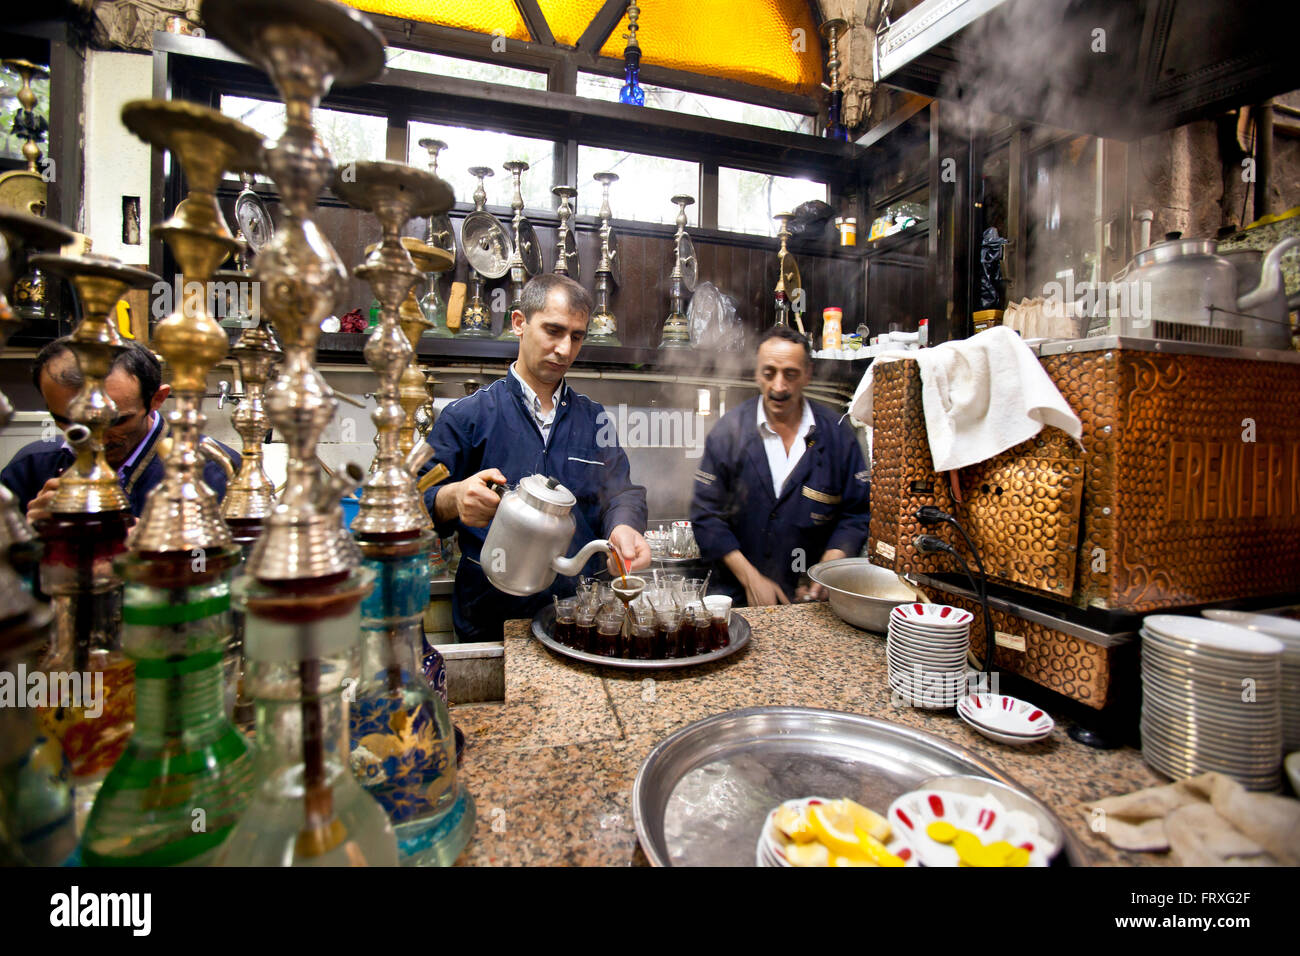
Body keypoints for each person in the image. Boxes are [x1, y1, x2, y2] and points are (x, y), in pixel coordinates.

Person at [424, 273, 651, 642]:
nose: (565, 349)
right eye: (554, 331)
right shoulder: (468, 416)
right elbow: (412, 502)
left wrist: (623, 526)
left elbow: (622, 492)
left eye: (576, 337)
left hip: (579, 619)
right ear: (519, 323)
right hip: (492, 624)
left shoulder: (592, 419)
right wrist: (452, 498)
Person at [690, 325, 870, 607]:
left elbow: (856, 513)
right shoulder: (728, 432)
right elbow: (706, 516)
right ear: (756, 373)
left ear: (807, 374)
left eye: (790, 374)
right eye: (769, 372)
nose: (779, 386)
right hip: (737, 601)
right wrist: (750, 578)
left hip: (813, 605)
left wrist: (830, 565)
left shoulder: (838, 437)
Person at [1, 337, 239, 523]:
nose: (95, 440)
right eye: (70, 423)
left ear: (157, 399)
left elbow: (238, 572)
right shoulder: (30, 467)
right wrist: (28, 542)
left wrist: (151, 549)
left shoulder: (215, 471)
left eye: (115, 422)